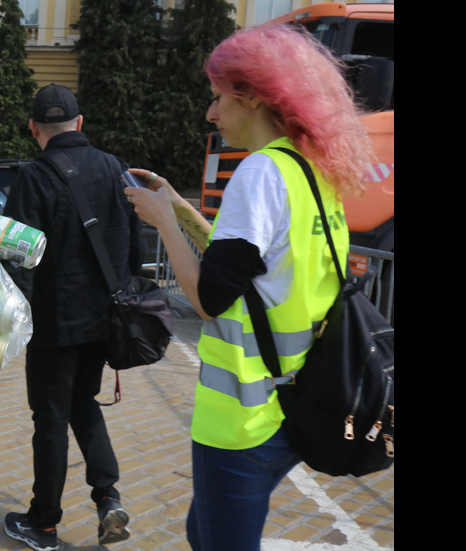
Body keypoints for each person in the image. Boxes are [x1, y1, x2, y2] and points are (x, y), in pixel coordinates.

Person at [124, 25, 374, 550]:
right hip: (297, 400)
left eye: (218, 98)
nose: (211, 114)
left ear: (254, 95)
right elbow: (246, 267)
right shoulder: (307, 170)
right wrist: (181, 207)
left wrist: (162, 223)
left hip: (243, 416)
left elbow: (210, 298)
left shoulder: (257, 173)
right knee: (205, 530)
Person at [1, 84, 144, 551]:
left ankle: (43, 522)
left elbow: (17, 259)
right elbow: (136, 249)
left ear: (33, 128)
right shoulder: (115, 168)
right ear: (80, 124)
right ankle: (108, 496)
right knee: (84, 404)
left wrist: (10, 322)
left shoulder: (33, 176)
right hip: (104, 320)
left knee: (51, 419)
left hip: (54, 324)